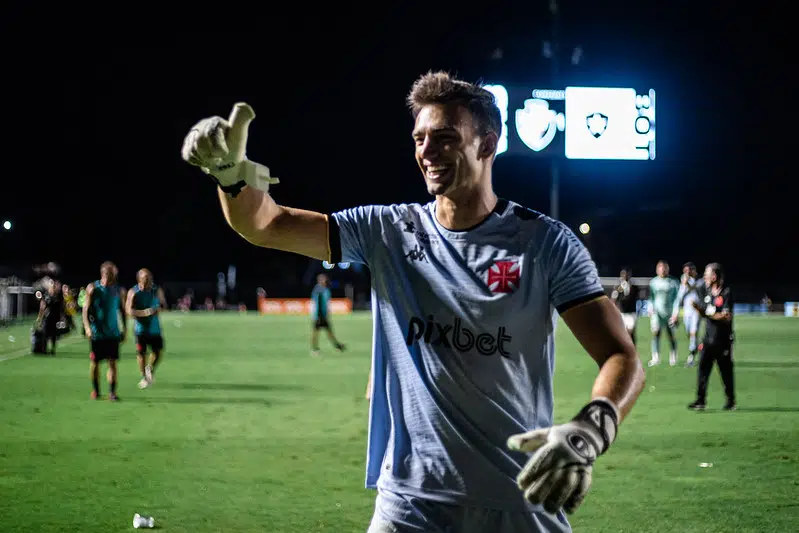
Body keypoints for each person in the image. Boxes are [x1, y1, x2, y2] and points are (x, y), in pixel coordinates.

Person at [181, 71, 645, 532]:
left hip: (517, 497)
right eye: (419, 138)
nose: (426, 152)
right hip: (409, 503)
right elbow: (267, 225)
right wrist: (230, 177)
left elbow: (621, 356)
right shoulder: (387, 232)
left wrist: (592, 427)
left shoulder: (546, 244)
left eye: (444, 138)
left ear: (487, 144)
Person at [688, 263, 736, 411]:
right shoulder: (707, 293)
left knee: (725, 372)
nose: (705, 277)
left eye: (707, 274)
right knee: (703, 369)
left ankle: (730, 401)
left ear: (714, 276)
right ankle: (700, 400)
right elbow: (705, 312)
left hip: (723, 340)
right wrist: (698, 309)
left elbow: (726, 316)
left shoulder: (726, 292)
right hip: (708, 339)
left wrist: (709, 314)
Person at [83, 262, 127, 401]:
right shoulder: (93, 288)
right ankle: (96, 390)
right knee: (95, 362)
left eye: (114, 275)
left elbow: (123, 311)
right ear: (103, 273)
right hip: (97, 333)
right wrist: (87, 328)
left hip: (113, 333)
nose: (112, 277)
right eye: (109, 274)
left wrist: (124, 330)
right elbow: (85, 310)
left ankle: (112, 393)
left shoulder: (118, 290)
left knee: (112, 363)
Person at [125, 268, 166, 389]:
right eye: (145, 278)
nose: (148, 280)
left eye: (150, 278)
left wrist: (160, 308)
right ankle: (144, 376)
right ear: (139, 279)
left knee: (158, 352)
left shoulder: (156, 290)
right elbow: (128, 310)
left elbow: (163, 304)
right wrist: (144, 313)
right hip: (140, 329)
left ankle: (150, 368)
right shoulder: (134, 292)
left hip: (154, 328)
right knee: (141, 354)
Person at [647, 260, 680, 367]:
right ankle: (655, 357)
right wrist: (650, 308)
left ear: (667, 269)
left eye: (664, 268)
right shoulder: (653, 282)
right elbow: (651, 298)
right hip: (657, 313)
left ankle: (673, 356)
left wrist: (675, 313)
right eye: (660, 268)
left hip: (670, 313)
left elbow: (677, 299)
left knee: (671, 335)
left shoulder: (674, 282)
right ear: (657, 270)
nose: (662, 270)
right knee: (656, 334)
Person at [310, 273, 345, 356]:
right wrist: (316, 315)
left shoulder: (325, 289)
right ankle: (314, 349)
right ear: (319, 281)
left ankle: (337, 345)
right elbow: (316, 304)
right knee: (316, 333)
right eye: (323, 280)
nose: (325, 281)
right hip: (319, 316)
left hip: (324, 315)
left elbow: (326, 303)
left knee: (329, 332)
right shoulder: (318, 290)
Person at [675, 262, 702, 367]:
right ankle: (698, 347)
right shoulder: (683, 281)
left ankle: (691, 357)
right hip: (687, 311)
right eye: (685, 271)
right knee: (689, 333)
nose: (687, 273)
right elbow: (680, 296)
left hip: (696, 311)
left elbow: (696, 289)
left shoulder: (699, 281)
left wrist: (687, 284)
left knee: (693, 333)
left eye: (689, 270)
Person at [611, 268, 639, 345]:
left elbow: (633, 297)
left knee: (630, 331)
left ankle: (633, 349)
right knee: (623, 333)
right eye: (623, 274)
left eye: (626, 274)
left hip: (631, 313)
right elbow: (614, 297)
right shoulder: (619, 286)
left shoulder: (634, 286)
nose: (625, 276)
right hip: (622, 313)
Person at [36, 280, 64, 355]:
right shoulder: (46, 295)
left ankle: (53, 349)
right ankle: (44, 349)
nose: (53, 288)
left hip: (55, 318)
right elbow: (42, 307)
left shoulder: (58, 296)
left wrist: (62, 318)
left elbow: (61, 308)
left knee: (54, 335)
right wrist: (39, 317)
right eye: (52, 287)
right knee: (45, 333)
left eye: (54, 287)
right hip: (47, 318)